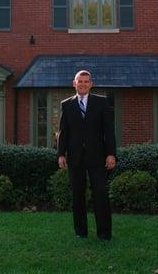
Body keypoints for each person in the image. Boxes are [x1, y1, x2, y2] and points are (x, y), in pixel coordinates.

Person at [57, 70, 116, 241]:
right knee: (77, 194)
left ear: (91, 84)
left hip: (98, 157)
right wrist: (61, 154)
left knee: (100, 193)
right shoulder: (66, 104)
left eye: (86, 81)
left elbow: (109, 132)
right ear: (74, 83)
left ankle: (104, 233)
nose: (82, 84)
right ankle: (80, 232)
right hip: (75, 157)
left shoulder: (102, 102)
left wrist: (111, 154)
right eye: (79, 81)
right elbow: (64, 132)